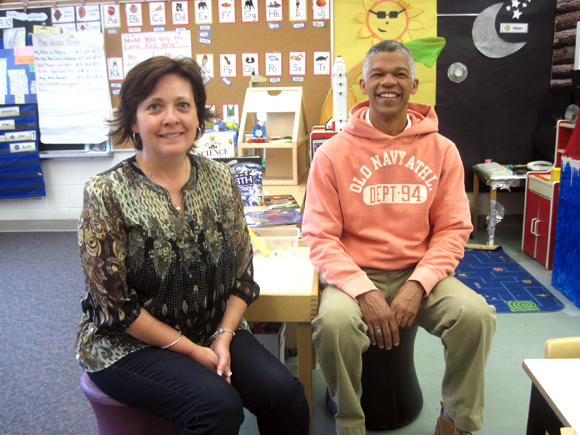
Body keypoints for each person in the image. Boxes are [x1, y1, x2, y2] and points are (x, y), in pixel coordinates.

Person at [75, 56, 309, 435]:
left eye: (183, 105)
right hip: (127, 345)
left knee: (286, 395)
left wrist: (223, 336)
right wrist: (191, 350)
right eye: (155, 107)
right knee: (217, 407)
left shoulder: (220, 177)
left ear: (198, 116)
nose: (172, 118)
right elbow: (115, 307)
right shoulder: (106, 192)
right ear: (133, 121)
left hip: (212, 326)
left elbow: (242, 276)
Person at [301, 40, 496, 435]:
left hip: (419, 270)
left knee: (476, 316)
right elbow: (320, 236)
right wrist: (362, 289)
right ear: (362, 85)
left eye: (399, 74)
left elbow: (453, 229)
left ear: (413, 83)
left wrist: (419, 283)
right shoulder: (332, 154)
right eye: (378, 74)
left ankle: (455, 420)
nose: (388, 82)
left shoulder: (442, 150)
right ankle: (351, 424)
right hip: (355, 274)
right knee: (333, 324)